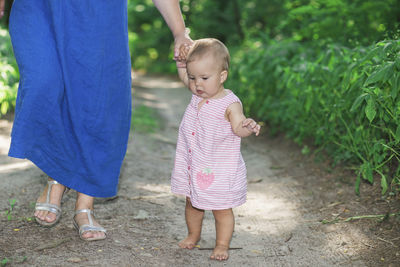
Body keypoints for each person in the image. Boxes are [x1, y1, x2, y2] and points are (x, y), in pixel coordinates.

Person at [0, 0, 192, 241]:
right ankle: (58, 174)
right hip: (39, 6)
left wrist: (179, 32)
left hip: (99, 12)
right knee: (43, 82)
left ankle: (84, 202)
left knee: (96, 97)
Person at [171, 38, 261, 260]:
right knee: (192, 202)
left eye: (203, 78)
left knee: (221, 208)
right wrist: (181, 61)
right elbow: (184, 74)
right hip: (194, 164)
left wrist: (247, 126)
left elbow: (238, 127)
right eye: (193, 78)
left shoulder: (230, 104)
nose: (196, 84)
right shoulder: (197, 93)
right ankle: (193, 235)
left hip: (219, 169)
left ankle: (222, 244)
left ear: (222, 76)